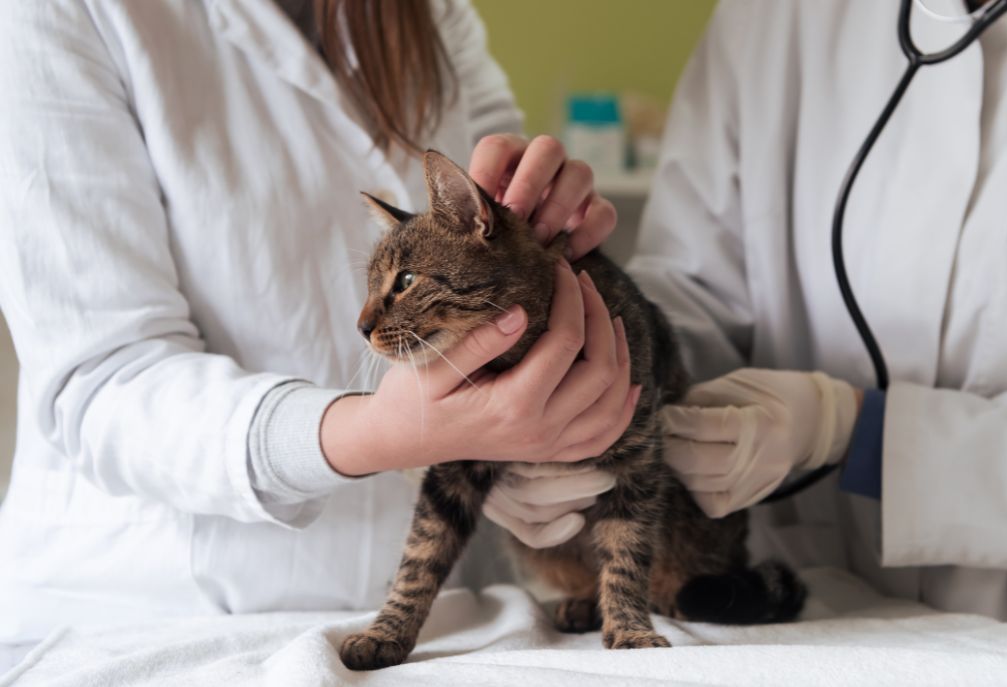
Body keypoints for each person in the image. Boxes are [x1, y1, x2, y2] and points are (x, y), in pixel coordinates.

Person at [500, 0, 1007, 660]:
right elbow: (691, 297)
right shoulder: (772, 18)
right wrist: (574, 403)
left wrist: (858, 434)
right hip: (795, 622)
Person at [0, 0, 626, 644]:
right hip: (161, 608)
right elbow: (101, 381)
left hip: (441, 619)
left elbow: (501, 215)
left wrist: (542, 220)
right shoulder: (56, 12)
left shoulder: (433, 14)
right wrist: (379, 433)